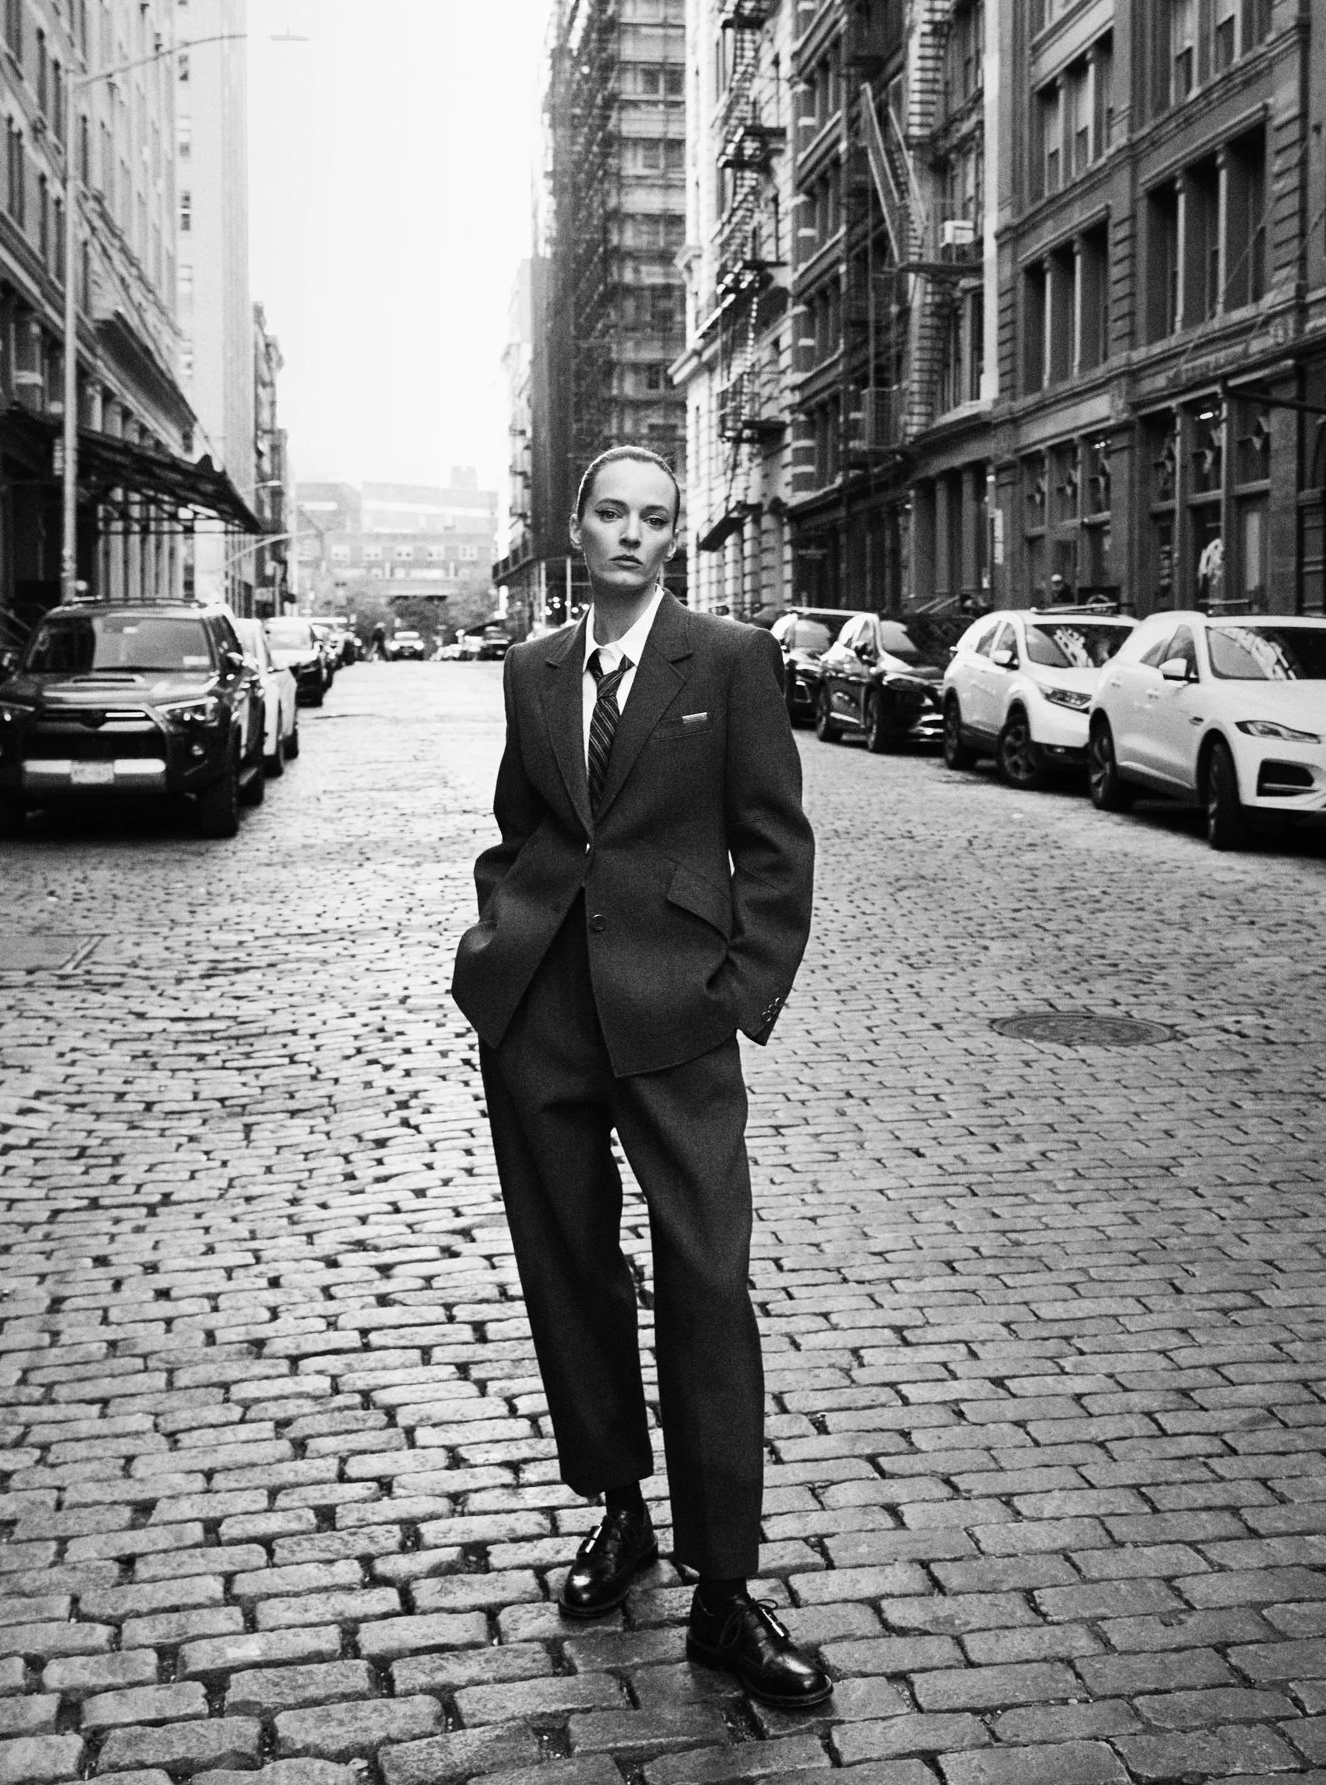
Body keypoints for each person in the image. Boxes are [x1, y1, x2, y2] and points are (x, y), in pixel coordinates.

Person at [452, 446, 829, 1709]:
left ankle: (726, 1590)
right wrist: (494, 941)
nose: (632, 533)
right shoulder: (531, 668)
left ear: (675, 536)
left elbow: (775, 842)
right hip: (544, 1012)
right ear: (578, 527)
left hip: (679, 1018)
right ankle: (618, 1509)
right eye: (612, 512)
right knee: (571, 1268)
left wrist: (741, 988)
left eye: (654, 517)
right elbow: (523, 828)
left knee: (708, 1276)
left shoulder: (729, 660)